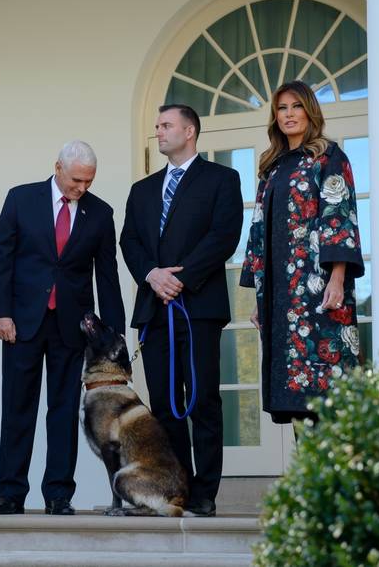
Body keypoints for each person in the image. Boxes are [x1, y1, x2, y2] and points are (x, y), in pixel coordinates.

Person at [0, 140, 126, 516]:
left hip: (71, 327)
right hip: (22, 323)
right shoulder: (21, 199)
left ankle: (58, 494)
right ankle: (10, 493)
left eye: (89, 182)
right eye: (77, 180)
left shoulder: (100, 213)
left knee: (63, 411)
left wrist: (114, 335)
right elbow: (1, 258)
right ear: (58, 168)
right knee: (18, 409)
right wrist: (1, 313)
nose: (82, 188)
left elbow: (107, 276)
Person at [120, 104, 243, 517]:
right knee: (165, 404)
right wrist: (153, 275)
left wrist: (181, 278)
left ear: (189, 132)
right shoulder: (142, 190)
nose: (159, 132)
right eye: (157, 126)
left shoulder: (222, 179)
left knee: (203, 400)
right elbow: (130, 242)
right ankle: (178, 489)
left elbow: (223, 236)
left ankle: (205, 493)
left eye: (166, 125)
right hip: (155, 311)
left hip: (199, 308)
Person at [239, 80, 364, 429]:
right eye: (282, 108)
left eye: (296, 107)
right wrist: (259, 297)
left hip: (319, 288)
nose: (289, 115)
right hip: (281, 295)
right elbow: (259, 227)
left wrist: (337, 279)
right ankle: (309, 475)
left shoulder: (329, 157)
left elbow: (338, 217)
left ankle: (338, 474)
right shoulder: (273, 167)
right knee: (292, 394)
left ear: (310, 111)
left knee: (327, 390)